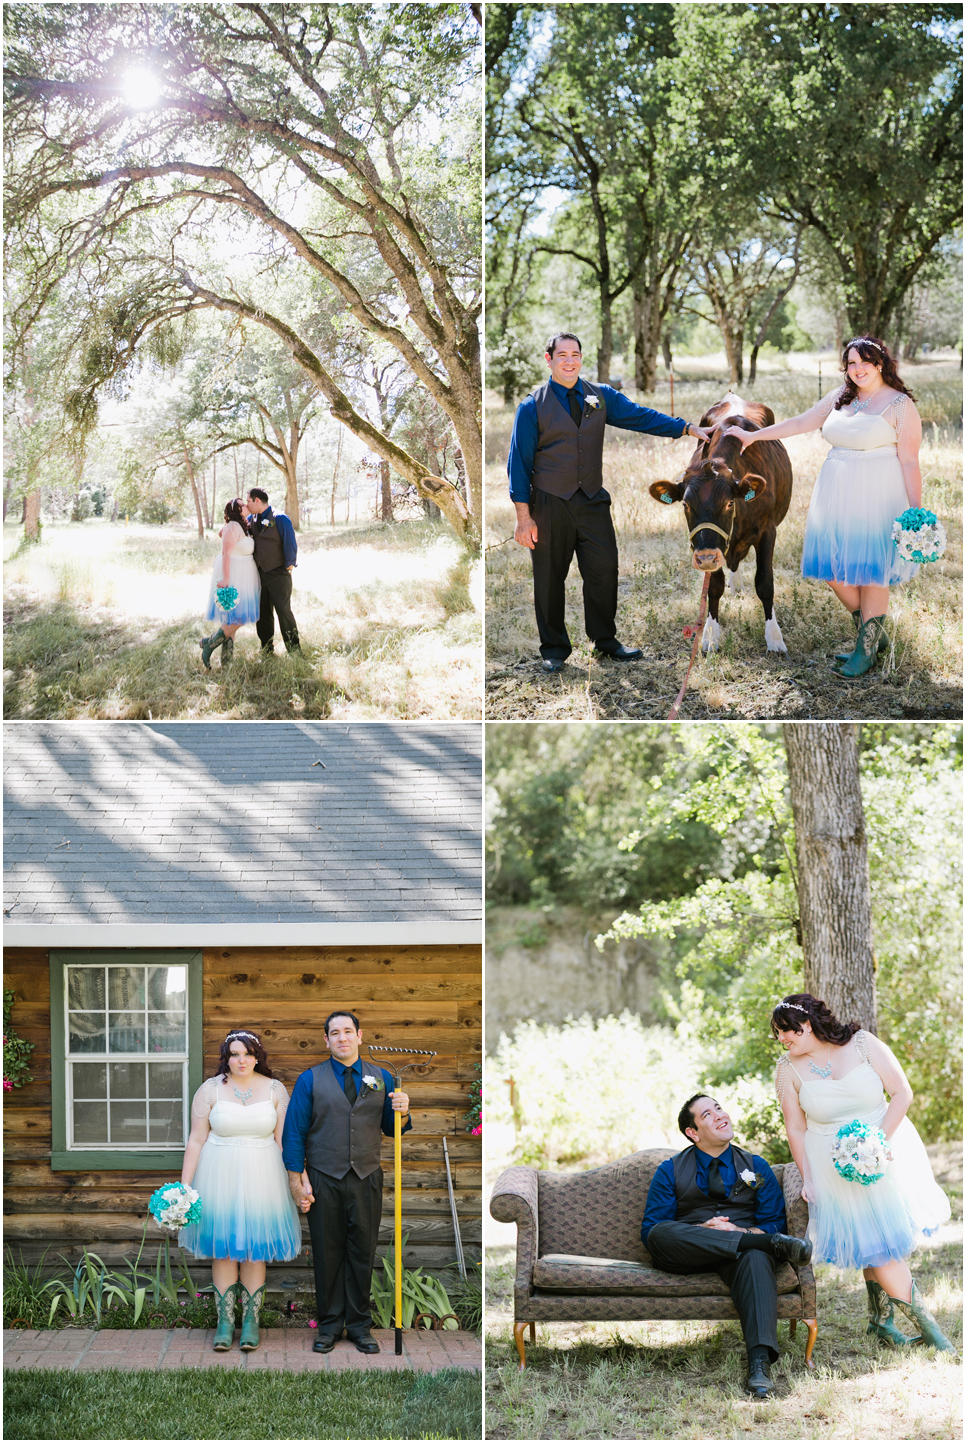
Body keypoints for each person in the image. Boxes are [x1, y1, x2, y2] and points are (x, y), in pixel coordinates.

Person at [508, 332, 711, 673]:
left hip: (591, 500)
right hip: (549, 502)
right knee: (548, 577)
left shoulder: (599, 396)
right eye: (562, 355)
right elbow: (518, 465)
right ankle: (554, 648)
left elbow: (640, 416)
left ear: (581, 358)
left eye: (575, 354)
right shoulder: (531, 406)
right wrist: (524, 518)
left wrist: (687, 428)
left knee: (604, 570)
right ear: (549, 360)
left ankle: (605, 641)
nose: (569, 360)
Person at [723, 337, 923, 677]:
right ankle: (872, 636)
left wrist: (916, 512)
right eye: (851, 363)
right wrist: (754, 437)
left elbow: (909, 461)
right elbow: (801, 422)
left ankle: (866, 648)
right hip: (835, 490)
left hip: (878, 492)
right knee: (832, 570)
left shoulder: (900, 405)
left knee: (871, 571)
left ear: (880, 363)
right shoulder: (839, 397)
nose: (858, 369)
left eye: (865, 361)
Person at [772, 994, 953, 1352]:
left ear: (807, 1024)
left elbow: (902, 1092)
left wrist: (876, 1142)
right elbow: (795, 1128)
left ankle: (882, 1323)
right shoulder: (786, 1069)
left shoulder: (863, 1043)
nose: (782, 1039)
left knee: (878, 1244)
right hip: (832, 1166)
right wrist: (808, 1177)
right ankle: (931, 1333)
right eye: (777, 1034)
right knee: (876, 1246)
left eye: (786, 1031)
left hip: (882, 1152)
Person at [641, 1093, 812, 1398]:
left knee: (757, 1255)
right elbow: (653, 1230)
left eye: (718, 1108)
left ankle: (760, 1365)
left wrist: (738, 1230)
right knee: (660, 1233)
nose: (720, 1115)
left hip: (743, 1254)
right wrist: (702, 1229)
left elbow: (774, 1221)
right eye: (707, 1114)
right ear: (692, 1133)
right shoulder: (670, 1170)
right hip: (691, 1253)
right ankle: (764, 1244)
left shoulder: (754, 1168)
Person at [281, 1011, 411, 1355]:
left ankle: (358, 1327)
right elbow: (293, 1133)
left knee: (361, 1253)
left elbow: (392, 1129)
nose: (342, 1038)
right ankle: (328, 1326)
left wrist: (403, 1110)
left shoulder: (381, 1077)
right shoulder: (310, 1080)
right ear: (326, 1040)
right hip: (324, 1177)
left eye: (348, 1031)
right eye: (335, 1033)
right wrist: (296, 1181)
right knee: (327, 1253)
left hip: (366, 1177)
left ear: (359, 1035)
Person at [179, 1030, 305, 1352]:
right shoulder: (210, 1090)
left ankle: (251, 1321)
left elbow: (284, 1140)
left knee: (255, 1248)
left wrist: (299, 1177)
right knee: (223, 1248)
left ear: (257, 1056)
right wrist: (184, 1186)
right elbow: (195, 1139)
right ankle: (224, 1321)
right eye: (234, 1054)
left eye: (247, 1053)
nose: (241, 1060)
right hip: (218, 1173)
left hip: (263, 1174)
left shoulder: (275, 1089)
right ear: (226, 1057)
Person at [199, 499, 261, 669]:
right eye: (243, 504)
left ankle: (226, 662)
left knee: (232, 617)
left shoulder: (241, 526)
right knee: (239, 617)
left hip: (245, 574)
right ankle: (210, 644)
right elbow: (226, 554)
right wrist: (226, 579)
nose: (246, 506)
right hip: (234, 574)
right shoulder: (233, 526)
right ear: (237, 510)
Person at [246, 487, 300, 655]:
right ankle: (267, 650)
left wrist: (288, 567)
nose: (247, 505)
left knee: (283, 611)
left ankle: (294, 651)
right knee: (262, 614)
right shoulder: (251, 519)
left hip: (278, 574)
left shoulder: (280, 518)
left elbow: (290, 544)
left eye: (248, 501)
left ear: (257, 501)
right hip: (259, 575)